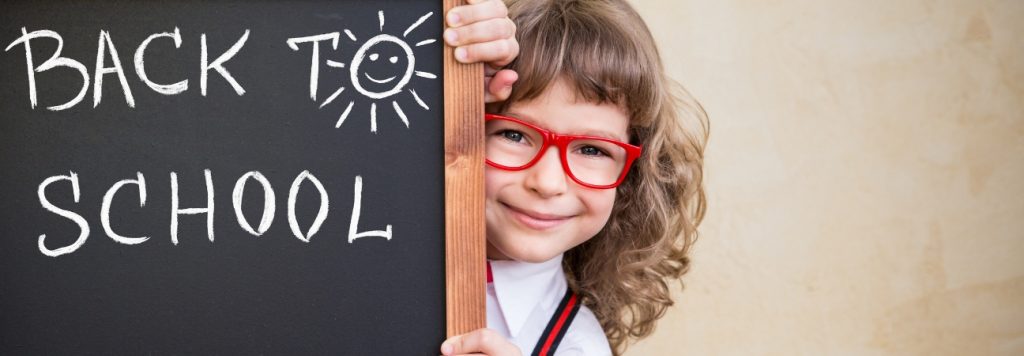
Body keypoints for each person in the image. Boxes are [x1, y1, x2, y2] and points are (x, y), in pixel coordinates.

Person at [444, 0, 709, 355]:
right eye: (514, 134)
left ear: (631, 175)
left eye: (592, 150)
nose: (548, 183)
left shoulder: (580, 347)